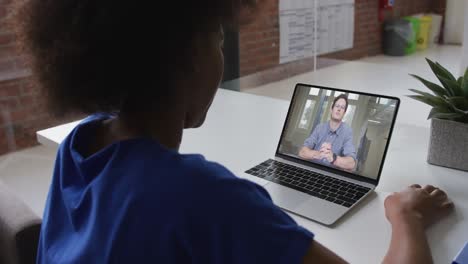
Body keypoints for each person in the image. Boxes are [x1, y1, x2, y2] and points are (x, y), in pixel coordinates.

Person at [13, 0, 454, 263]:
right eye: (218, 41)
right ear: (186, 55)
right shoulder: (202, 195)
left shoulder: (80, 145)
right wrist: (406, 216)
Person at [299, 94, 357, 171]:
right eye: (337, 106)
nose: (339, 109)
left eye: (342, 107)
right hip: (312, 170)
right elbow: (302, 152)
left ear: (344, 113)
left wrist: (333, 158)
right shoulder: (319, 128)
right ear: (331, 109)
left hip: (331, 175)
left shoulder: (347, 132)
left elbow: (351, 163)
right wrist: (318, 154)